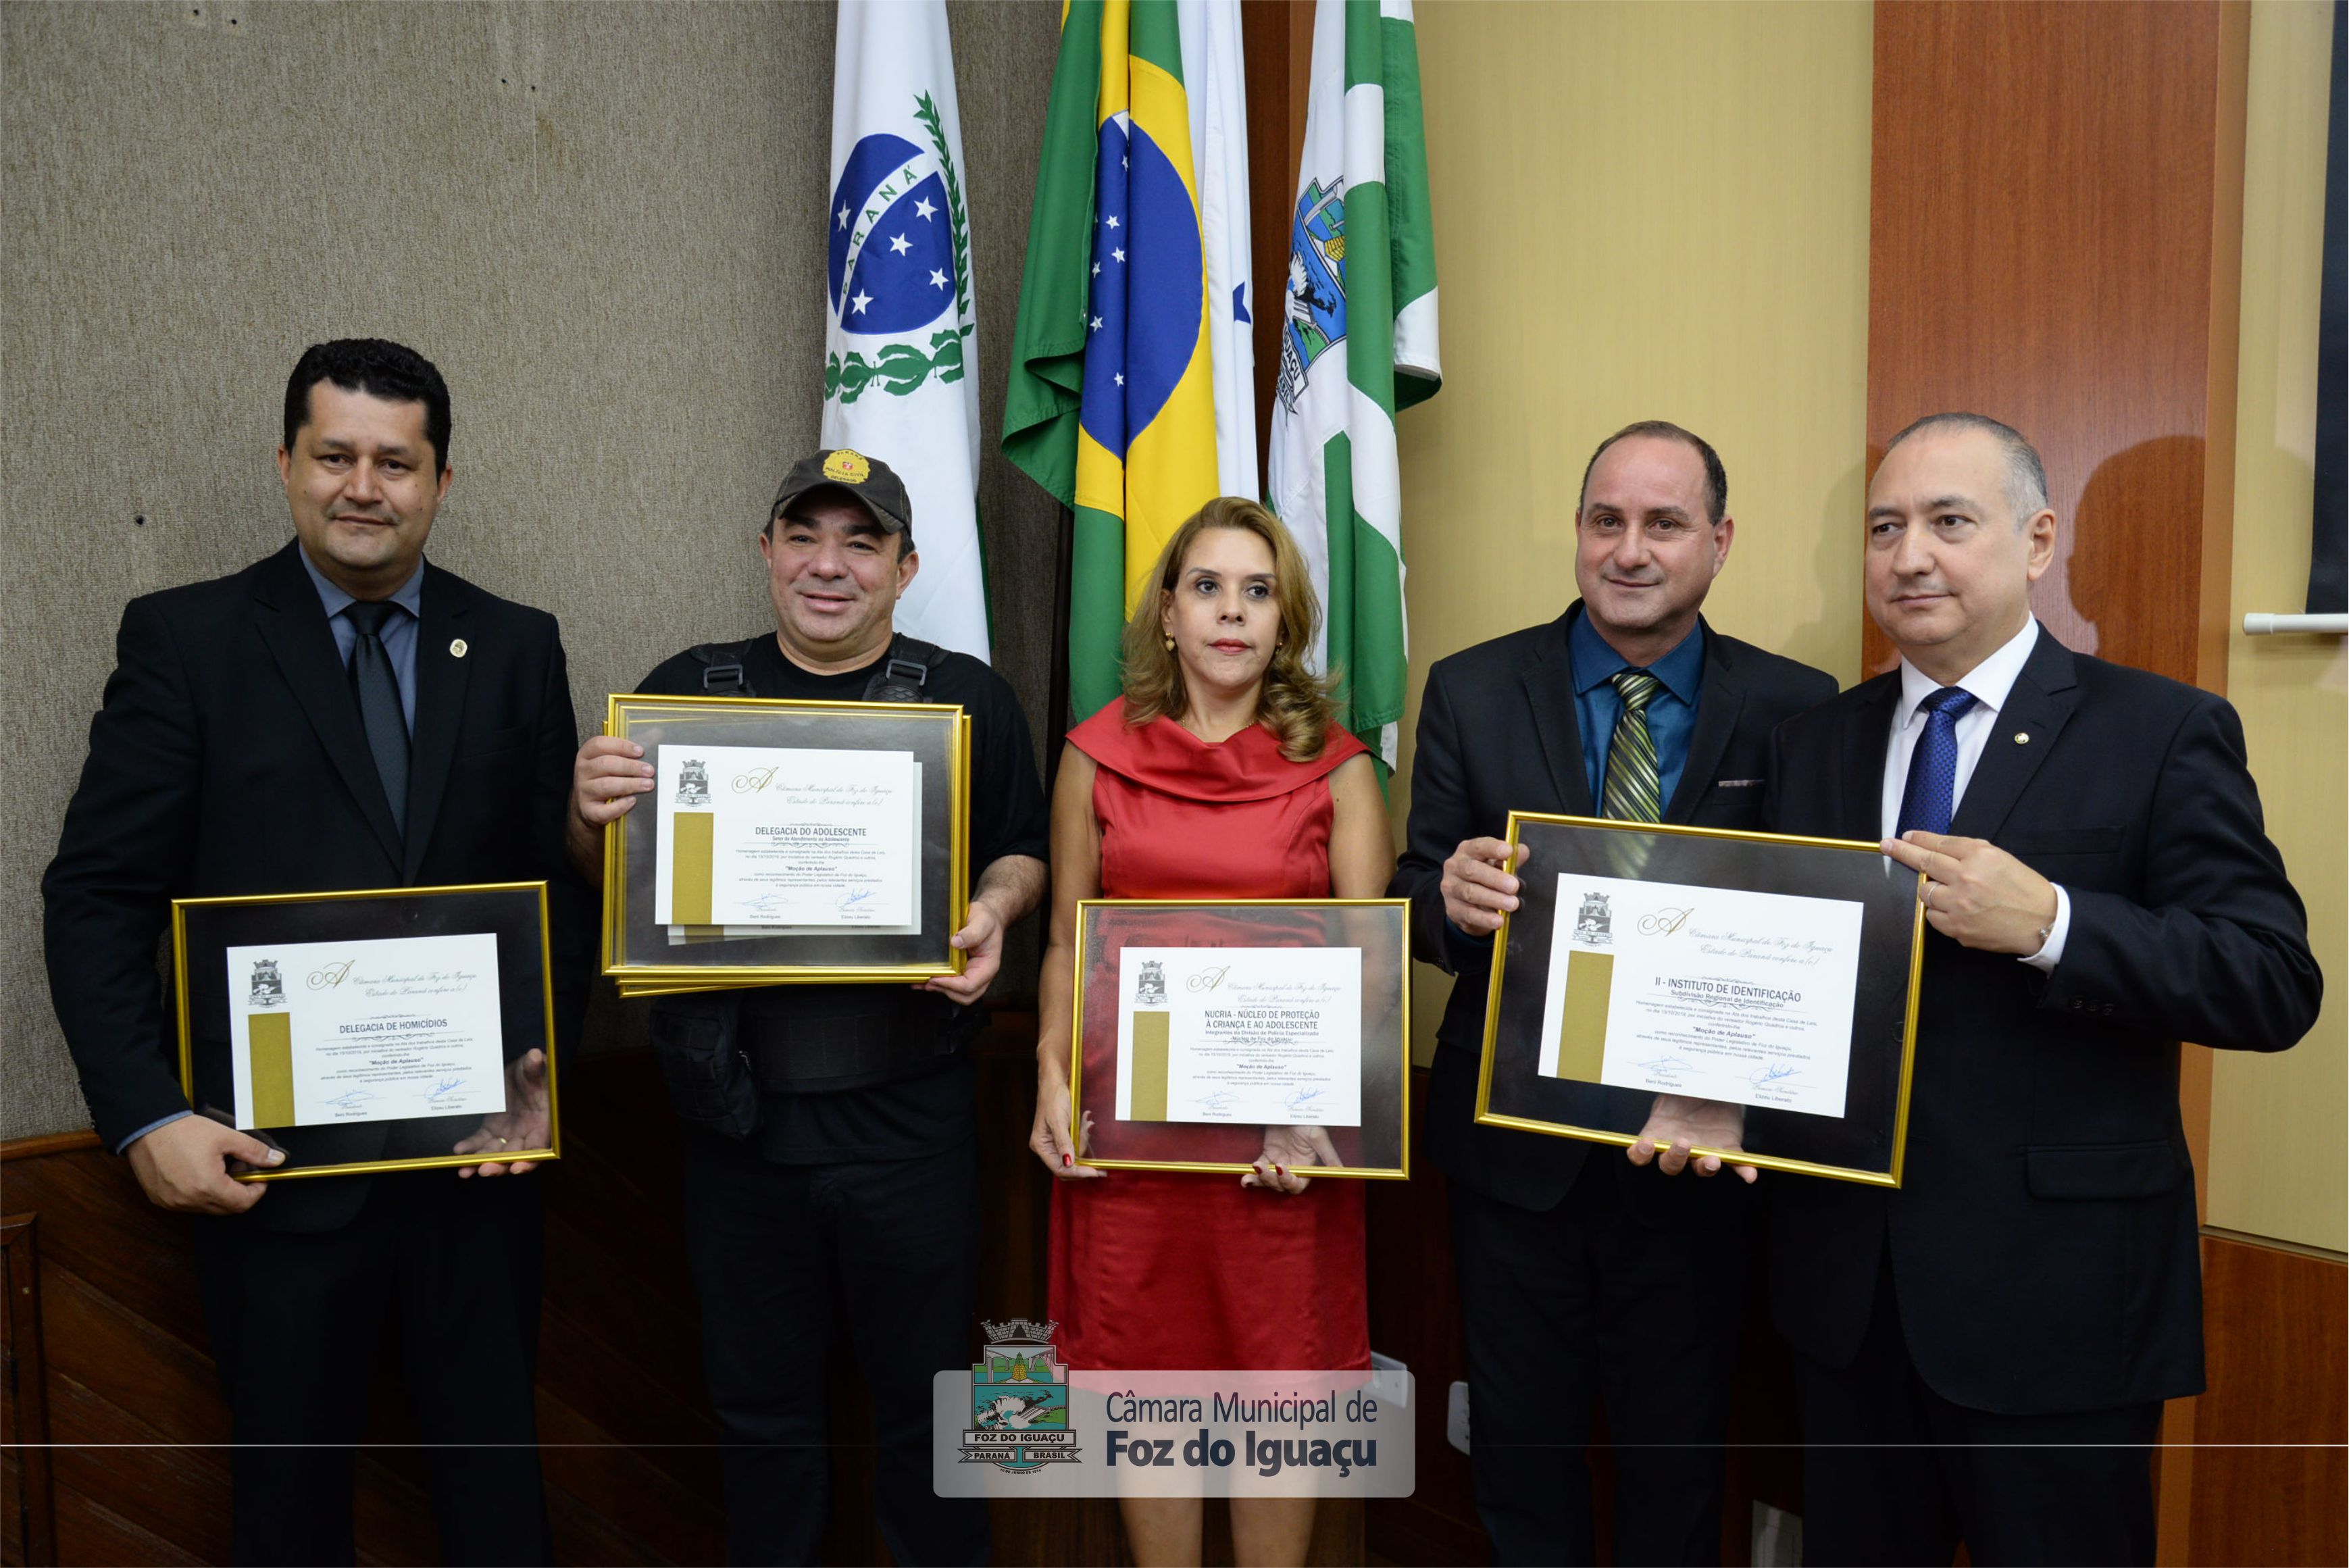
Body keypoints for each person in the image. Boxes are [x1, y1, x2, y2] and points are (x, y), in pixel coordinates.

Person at [42, 338, 591, 1565]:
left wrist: (536, 1070)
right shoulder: (186, 640)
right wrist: (144, 1117)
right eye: (335, 454)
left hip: (476, 1173)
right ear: (284, 463)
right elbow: (95, 895)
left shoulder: (512, 645)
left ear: (442, 481)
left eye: (395, 461)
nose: (363, 485)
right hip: (272, 1177)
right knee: (288, 1518)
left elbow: (548, 891)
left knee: (499, 1505)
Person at [1758, 412, 2321, 1565]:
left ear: (2036, 542)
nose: (1908, 554)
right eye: (1883, 526)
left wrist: (2054, 925)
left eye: (1948, 521)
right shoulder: (1812, 743)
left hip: (2056, 1308)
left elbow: (2270, 979)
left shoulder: (2160, 731)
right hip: (1847, 1303)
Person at [568, 449, 1047, 1567]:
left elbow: (1023, 848)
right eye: (804, 537)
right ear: (768, 551)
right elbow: (618, 892)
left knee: (936, 1414)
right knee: (759, 1415)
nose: (827, 566)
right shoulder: (685, 694)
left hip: (910, 1122)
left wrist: (992, 907)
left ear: (904, 565)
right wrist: (589, 817)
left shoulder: (966, 696)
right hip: (741, 1127)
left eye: (860, 541)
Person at [1389, 421, 1838, 1565]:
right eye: (1605, 521)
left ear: (1718, 542)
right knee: (1519, 1460)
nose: (1628, 550)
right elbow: (1413, 891)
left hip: (1694, 1163)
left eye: (1663, 523)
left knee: (1675, 1467)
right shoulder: (1475, 686)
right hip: (1513, 1159)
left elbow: (1818, 927)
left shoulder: (1798, 705)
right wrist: (1451, 898)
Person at [1029, 498, 1394, 1567]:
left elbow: (1369, 969)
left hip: (1284, 1152)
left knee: (1278, 1398)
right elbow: (1064, 943)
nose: (1230, 611)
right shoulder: (1094, 755)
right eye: (1206, 586)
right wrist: (1051, 1077)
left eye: (1257, 589)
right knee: (1146, 1401)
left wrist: (1313, 1113)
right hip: (1133, 1153)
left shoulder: (1339, 766)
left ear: (1285, 619)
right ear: (1167, 613)